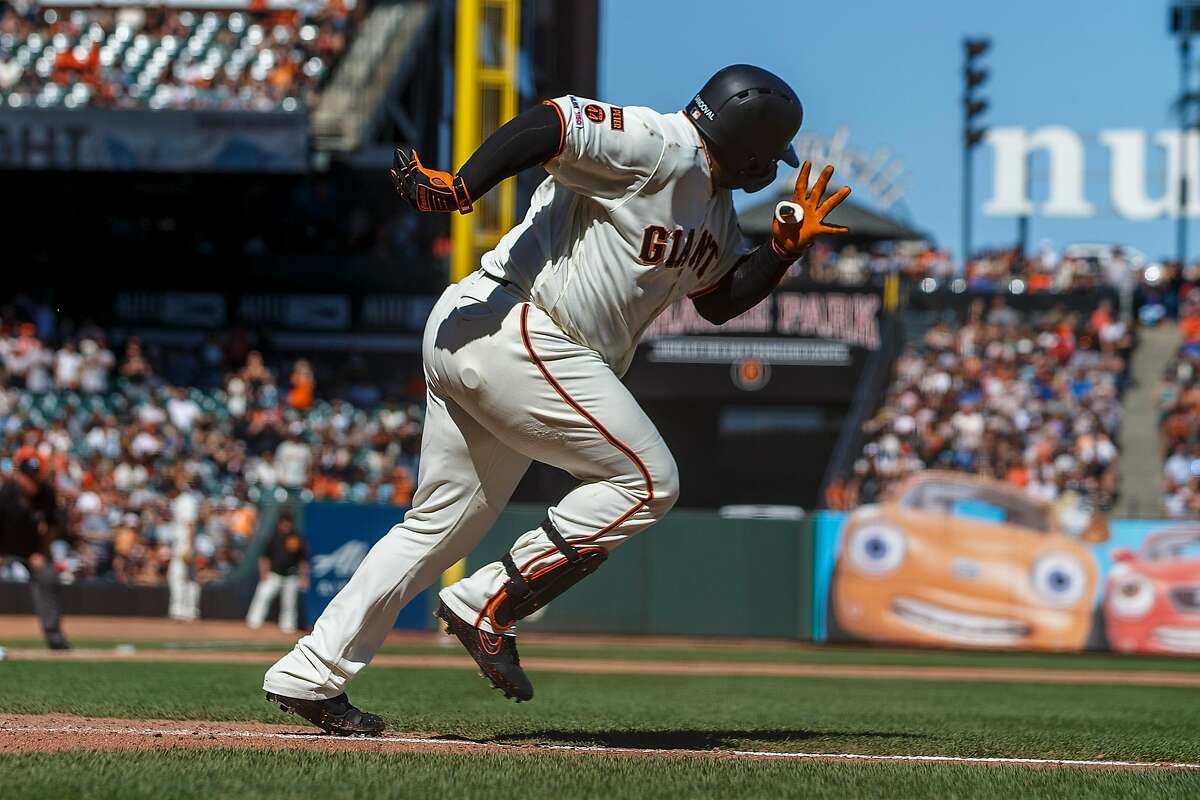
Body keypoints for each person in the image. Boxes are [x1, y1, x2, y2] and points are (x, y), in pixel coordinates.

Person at [262, 64, 851, 735]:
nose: (772, 168)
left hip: (488, 337)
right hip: (518, 325)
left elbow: (717, 302)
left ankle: (312, 670)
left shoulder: (714, 212)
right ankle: (488, 600)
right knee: (648, 480)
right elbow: (553, 123)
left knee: (436, 529)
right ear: (750, 145)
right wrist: (463, 187)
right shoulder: (662, 144)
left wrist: (778, 253)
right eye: (771, 155)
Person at [0, 449, 70, 650]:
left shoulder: (46, 493)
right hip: (4, 548)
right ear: (18, 475)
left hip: (31, 551)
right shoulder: (6, 493)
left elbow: (53, 526)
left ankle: (54, 635)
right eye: (27, 477)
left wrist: (41, 552)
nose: (31, 482)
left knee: (48, 577)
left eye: (35, 477)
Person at [245, 512, 309, 633]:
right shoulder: (273, 537)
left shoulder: (296, 538)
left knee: (289, 603)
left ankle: (288, 627)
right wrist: (264, 573)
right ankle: (253, 623)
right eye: (284, 523)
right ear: (280, 523)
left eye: (288, 523)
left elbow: (302, 560)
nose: (286, 526)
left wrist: (303, 577)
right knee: (263, 596)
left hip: (291, 576)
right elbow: (264, 557)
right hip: (274, 574)